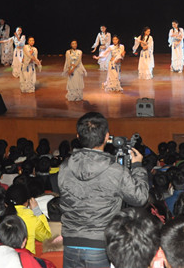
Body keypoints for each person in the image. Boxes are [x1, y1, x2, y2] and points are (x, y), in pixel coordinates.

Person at [57, 113, 149, 268]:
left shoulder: (65, 167)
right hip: (100, 245)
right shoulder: (115, 170)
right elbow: (140, 198)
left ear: (78, 136)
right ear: (107, 137)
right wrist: (138, 167)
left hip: (70, 243)